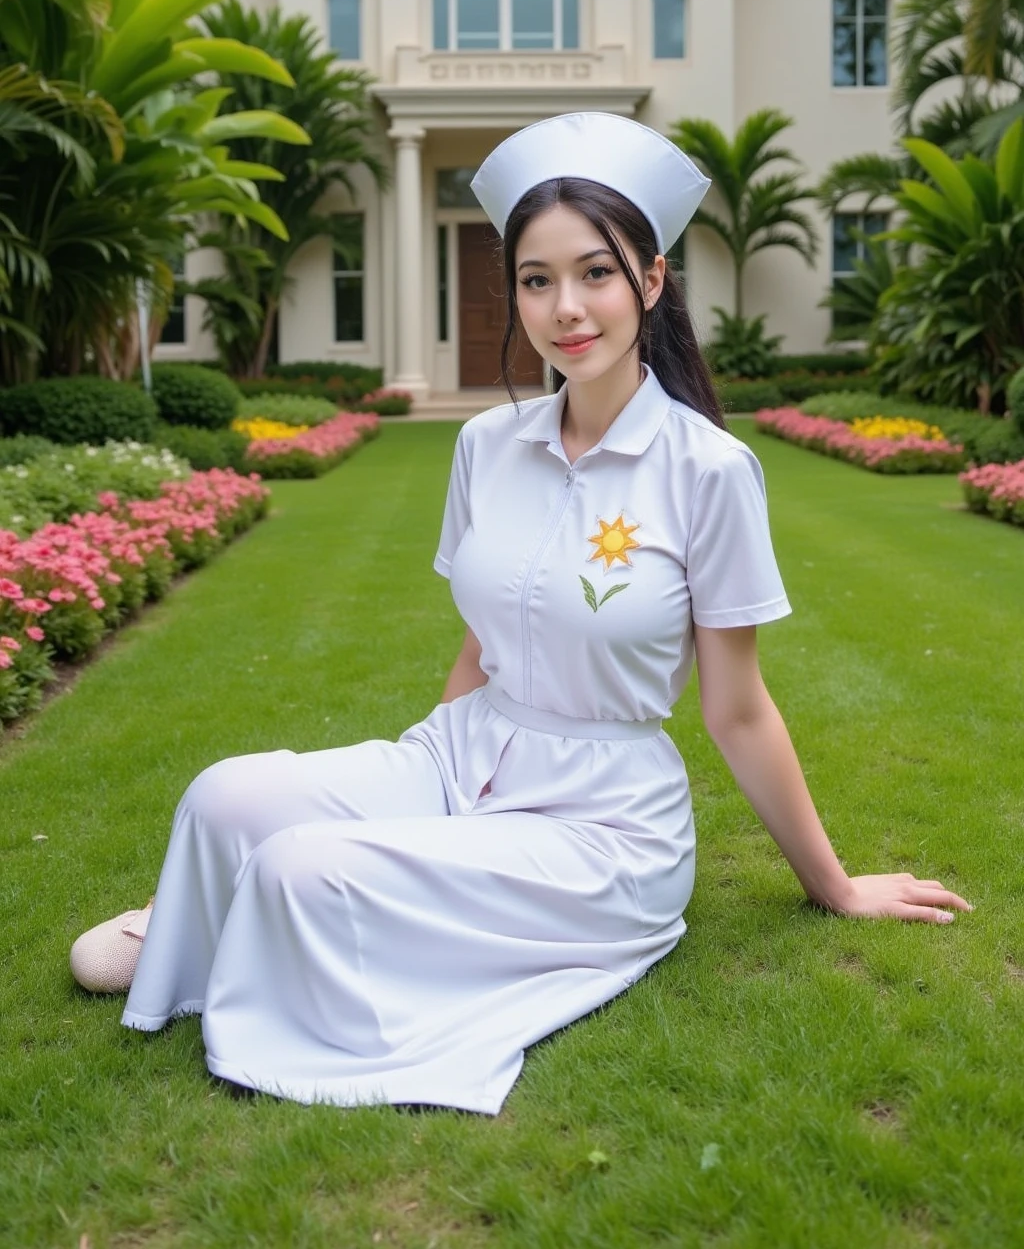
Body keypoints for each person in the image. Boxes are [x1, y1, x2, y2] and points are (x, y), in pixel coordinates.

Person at [70, 111, 971, 1114]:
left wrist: (834, 886)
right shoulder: (485, 447)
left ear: (652, 281)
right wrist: (430, 773)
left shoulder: (709, 472)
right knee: (222, 797)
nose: (565, 308)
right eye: (537, 280)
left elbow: (738, 709)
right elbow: (482, 639)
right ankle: (216, 921)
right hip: (469, 753)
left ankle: (248, 916)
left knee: (301, 866)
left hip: (602, 823)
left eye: (595, 273)